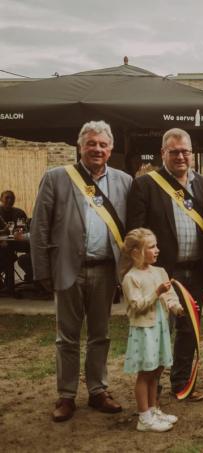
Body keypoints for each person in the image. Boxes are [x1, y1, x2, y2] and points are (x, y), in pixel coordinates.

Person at [30, 120, 132, 422]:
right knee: (67, 338)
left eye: (102, 144)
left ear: (111, 149)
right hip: (67, 269)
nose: (97, 149)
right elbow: (40, 227)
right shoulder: (56, 178)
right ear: (80, 146)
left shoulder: (125, 182)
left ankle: (98, 390)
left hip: (104, 270)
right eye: (91, 143)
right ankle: (66, 395)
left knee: (100, 335)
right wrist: (42, 271)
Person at [126, 128, 203, 402]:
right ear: (163, 152)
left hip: (196, 269)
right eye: (174, 151)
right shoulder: (145, 185)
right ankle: (153, 387)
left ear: (192, 152)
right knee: (158, 330)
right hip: (161, 273)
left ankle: (182, 384)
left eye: (185, 151)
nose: (180, 156)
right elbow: (135, 232)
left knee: (188, 329)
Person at [120, 228, 183, 432]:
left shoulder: (160, 271)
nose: (157, 250)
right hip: (144, 330)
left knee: (156, 371)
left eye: (156, 245)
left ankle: (154, 408)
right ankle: (144, 417)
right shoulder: (131, 278)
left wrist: (177, 307)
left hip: (160, 328)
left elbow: (169, 295)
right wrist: (157, 292)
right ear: (137, 252)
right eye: (151, 247)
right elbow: (137, 306)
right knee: (146, 373)